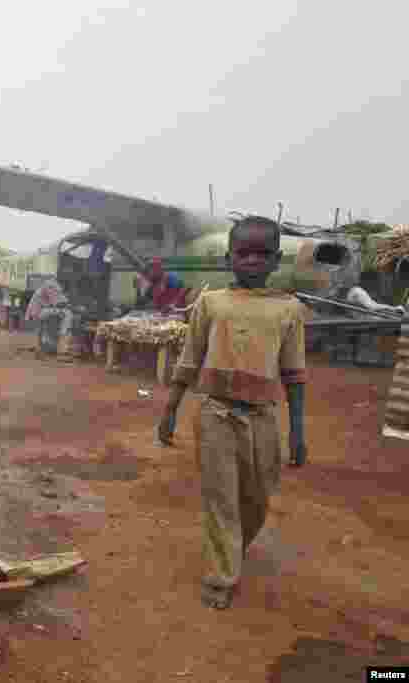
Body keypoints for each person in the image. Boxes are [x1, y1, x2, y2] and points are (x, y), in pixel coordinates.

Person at [157, 216, 308, 610]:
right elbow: (189, 361)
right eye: (244, 252)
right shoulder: (211, 303)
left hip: (261, 418)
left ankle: (233, 547)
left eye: (263, 254)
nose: (253, 260)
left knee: (256, 500)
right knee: (221, 499)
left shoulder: (289, 309)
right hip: (215, 415)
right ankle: (221, 578)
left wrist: (297, 431)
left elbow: (294, 374)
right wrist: (170, 410)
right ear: (229, 258)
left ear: (277, 260)